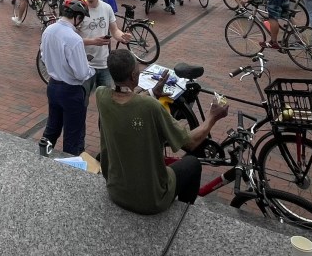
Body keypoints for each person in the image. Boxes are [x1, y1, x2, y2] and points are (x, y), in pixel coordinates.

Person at [97, 49, 229, 214]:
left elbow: (126, 98)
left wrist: (152, 92)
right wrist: (212, 118)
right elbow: (190, 142)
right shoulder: (150, 107)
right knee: (192, 163)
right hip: (150, 200)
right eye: (138, 71)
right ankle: (183, 215)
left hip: (116, 190)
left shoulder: (101, 94)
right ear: (132, 76)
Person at [39, 0, 94, 156]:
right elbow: (82, 73)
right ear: (77, 17)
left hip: (53, 85)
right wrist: (90, 69)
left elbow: (43, 56)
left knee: (51, 129)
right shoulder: (74, 39)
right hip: (71, 91)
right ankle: (69, 171)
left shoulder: (48, 30)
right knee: (72, 137)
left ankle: (40, 158)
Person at [79, 0, 130, 97]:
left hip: (104, 64)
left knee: (106, 102)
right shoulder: (80, 10)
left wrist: (122, 36)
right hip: (85, 65)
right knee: (82, 100)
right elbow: (73, 40)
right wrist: (93, 42)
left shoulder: (107, 8)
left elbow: (115, 30)